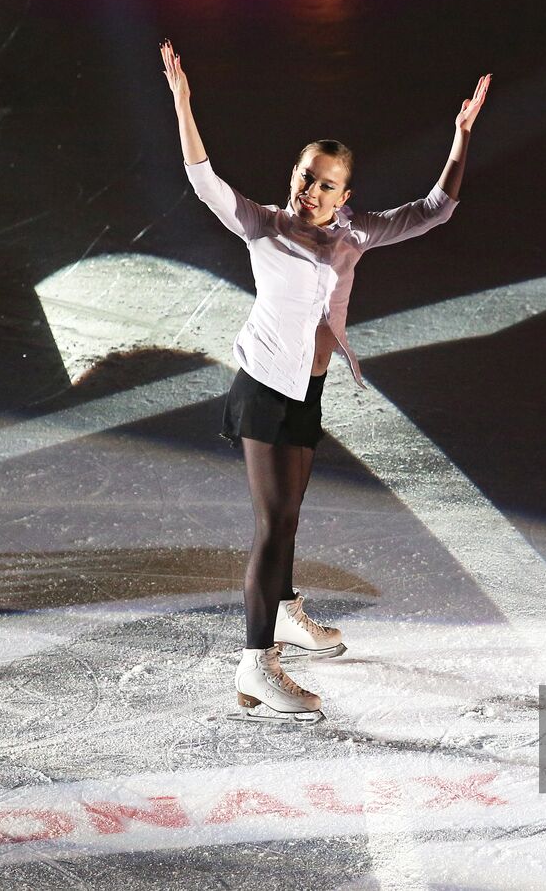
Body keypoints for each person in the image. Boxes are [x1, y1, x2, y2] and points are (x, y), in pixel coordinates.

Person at [161, 39, 491, 722]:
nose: (309, 191)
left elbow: (435, 211)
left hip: (306, 392)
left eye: (324, 183)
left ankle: (282, 614)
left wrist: (459, 140)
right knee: (273, 523)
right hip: (261, 390)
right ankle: (256, 668)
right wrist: (183, 101)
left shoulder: (355, 234)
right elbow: (204, 181)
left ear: (346, 194)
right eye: (305, 176)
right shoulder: (265, 226)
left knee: (290, 516)